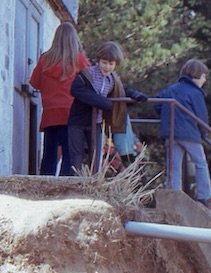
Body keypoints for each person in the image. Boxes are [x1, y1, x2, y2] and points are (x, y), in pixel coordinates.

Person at [67, 41, 147, 175]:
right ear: (98, 60)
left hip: (97, 122)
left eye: (111, 64)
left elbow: (122, 91)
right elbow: (76, 89)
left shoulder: (112, 79)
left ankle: (94, 186)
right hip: (78, 120)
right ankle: (73, 185)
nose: (107, 67)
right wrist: (101, 102)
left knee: (96, 155)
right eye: (104, 62)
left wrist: (135, 95)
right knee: (76, 155)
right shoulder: (87, 74)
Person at [29, 22, 90, 175]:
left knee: (49, 153)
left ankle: (44, 185)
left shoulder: (45, 59)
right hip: (72, 113)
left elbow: (34, 83)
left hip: (50, 113)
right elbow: (91, 82)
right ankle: (64, 188)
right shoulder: (78, 59)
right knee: (69, 155)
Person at [155, 59, 211, 207]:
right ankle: (204, 197)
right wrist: (203, 135)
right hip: (190, 134)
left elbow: (156, 103)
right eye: (204, 77)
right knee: (200, 163)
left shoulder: (171, 89)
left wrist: (166, 116)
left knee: (173, 167)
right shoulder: (195, 92)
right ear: (197, 75)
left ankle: (174, 196)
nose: (204, 81)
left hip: (171, 133)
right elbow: (202, 117)